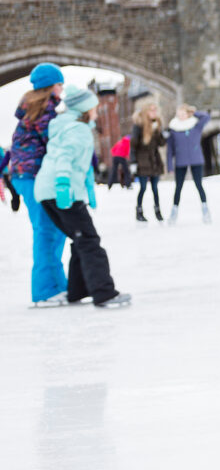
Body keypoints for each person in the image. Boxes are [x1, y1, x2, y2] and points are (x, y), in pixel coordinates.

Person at [33, 85, 131, 308]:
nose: (97, 110)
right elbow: (65, 158)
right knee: (89, 240)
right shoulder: (77, 130)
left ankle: (77, 291)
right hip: (59, 190)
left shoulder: (66, 126)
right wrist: (63, 185)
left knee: (81, 239)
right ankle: (104, 292)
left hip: (49, 191)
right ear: (86, 109)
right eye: (94, 107)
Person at [8, 62, 68, 307]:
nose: (62, 88)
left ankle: (57, 285)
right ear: (51, 87)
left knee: (52, 229)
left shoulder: (33, 108)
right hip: (32, 175)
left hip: (25, 175)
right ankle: (44, 290)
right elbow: (52, 143)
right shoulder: (45, 109)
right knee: (46, 231)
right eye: (59, 84)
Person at [165, 103, 212, 223]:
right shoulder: (174, 129)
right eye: (179, 114)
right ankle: (174, 212)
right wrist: (169, 165)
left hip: (196, 160)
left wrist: (193, 112)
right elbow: (170, 150)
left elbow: (206, 117)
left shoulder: (195, 125)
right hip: (181, 161)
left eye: (183, 114)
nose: (181, 116)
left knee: (199, 185)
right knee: (178, 187)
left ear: (187, 114)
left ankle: (205, 210)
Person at [129, 97, 165, 223]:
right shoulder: (138, 126)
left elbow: (161, 143)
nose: (154, 113)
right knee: (143, 187)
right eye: (151, 110)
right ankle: (139, 211)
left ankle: (158, 211)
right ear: (146, 111)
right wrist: (133, 162)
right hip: (142, 161)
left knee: (155, 188)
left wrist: (159, 131)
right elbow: (133, 146)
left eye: (155, 110)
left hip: (154, 160)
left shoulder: (156, 124)